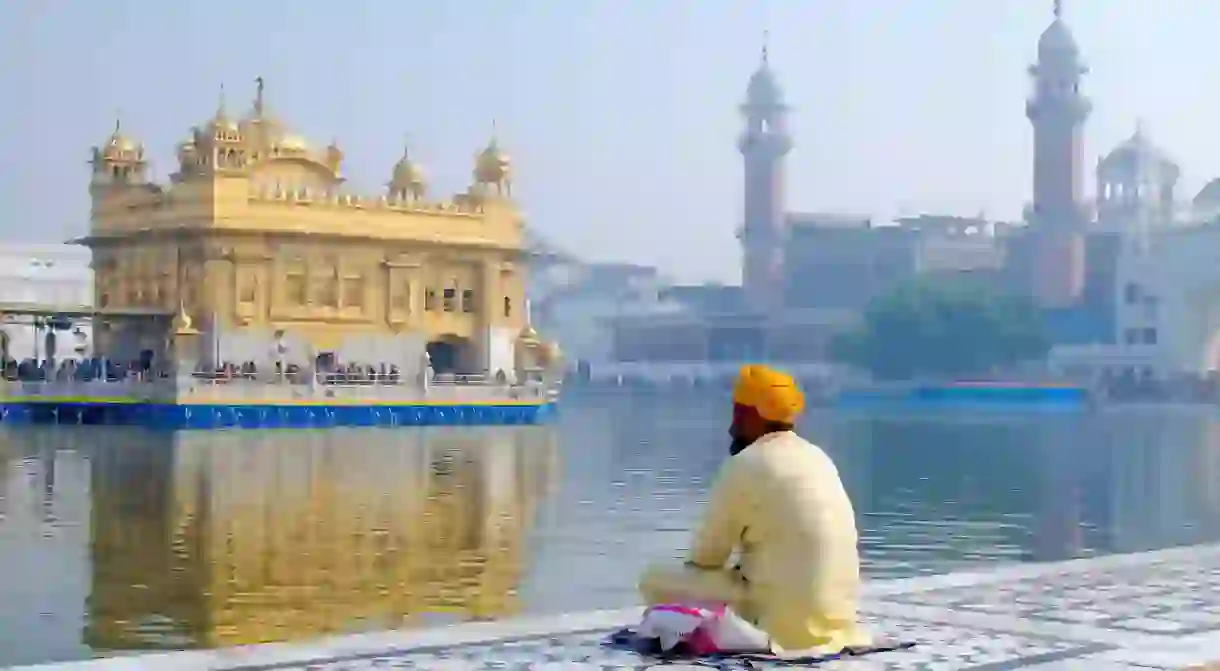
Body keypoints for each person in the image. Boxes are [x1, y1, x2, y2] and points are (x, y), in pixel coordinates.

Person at [638, 364, 869, 653]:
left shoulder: (745, 464)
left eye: (737, 413)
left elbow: (706, 559)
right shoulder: (818, 457)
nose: (732, 426)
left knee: (654, 578)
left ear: (749, 415)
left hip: (784, 628)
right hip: (841, 621)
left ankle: (721, 631)